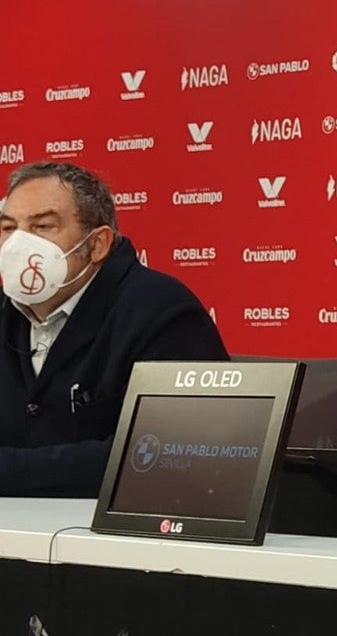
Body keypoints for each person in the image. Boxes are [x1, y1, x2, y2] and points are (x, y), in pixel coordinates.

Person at [0, 161, 228, 497]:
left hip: (118, 539)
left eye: (43, 226)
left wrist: (12, 472)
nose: (19, 244)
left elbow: (173, 454)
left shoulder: (161, 311)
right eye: (8, 227)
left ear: (97, 244)